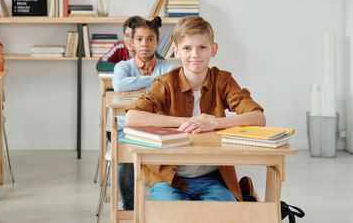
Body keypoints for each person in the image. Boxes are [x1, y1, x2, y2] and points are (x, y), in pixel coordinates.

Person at [125, 16, 266, 202]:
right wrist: (185, 121)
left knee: (227, 213)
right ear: (176, 51)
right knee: (169, 213)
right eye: (187, 48)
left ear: (213, 50)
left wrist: (214, 122)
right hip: (170, 178)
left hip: (213, 177)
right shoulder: (165, 83)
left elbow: (258, 118)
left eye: (202, 47)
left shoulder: (223, 81)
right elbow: (132, 118)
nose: (195, 54)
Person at [111, 16, 174, 210]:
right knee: (127, 157)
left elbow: (171, 83)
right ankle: (130, 207)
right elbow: (119, 84)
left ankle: (163, 206)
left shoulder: (167, 67)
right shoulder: (124, 66)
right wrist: (156, 81)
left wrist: (139, 84)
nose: (144, 44)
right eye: (139, 39)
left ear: (157, 41)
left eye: (150, 39)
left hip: (160, 126)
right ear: (132, 41)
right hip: (128, 127)